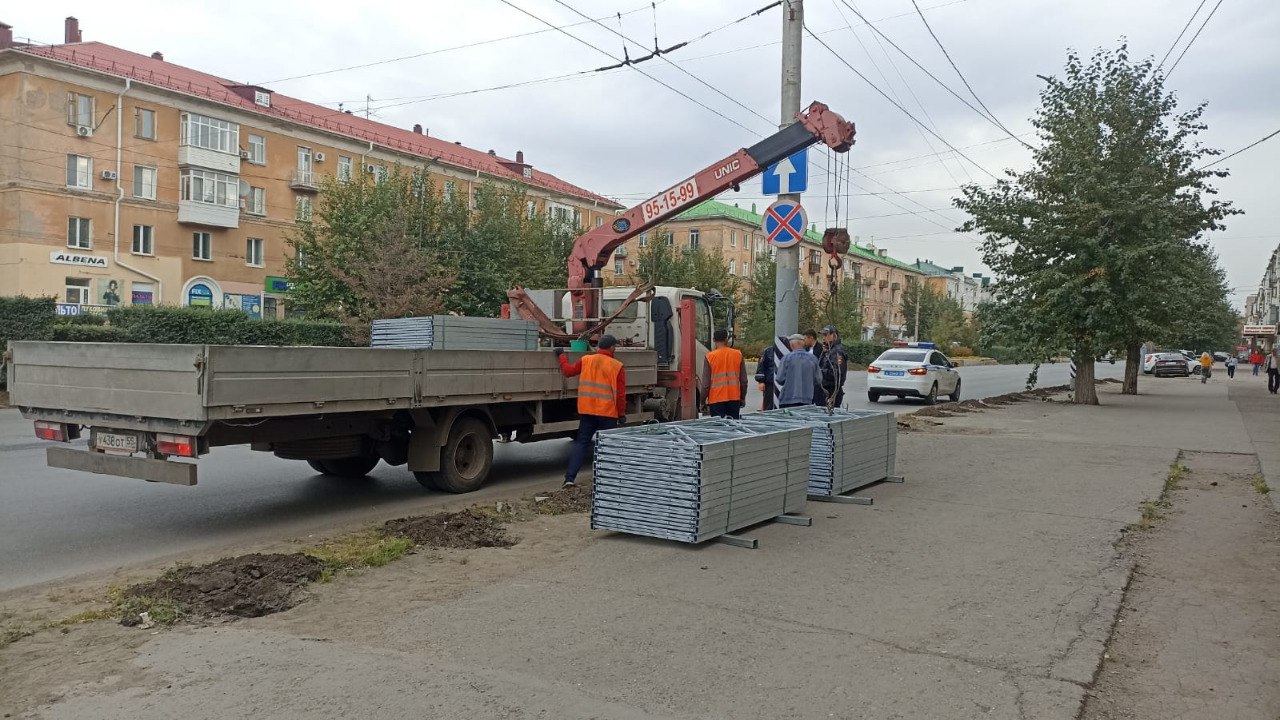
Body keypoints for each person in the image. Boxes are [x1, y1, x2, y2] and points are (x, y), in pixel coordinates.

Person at [555, 335, 626, 488]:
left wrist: (561, 355)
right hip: (607, 413)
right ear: (612, 347)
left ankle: (569, 478)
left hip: (587, 411)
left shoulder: (586, 360)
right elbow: (620, 395)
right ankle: (609, 480)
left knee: (581, 443)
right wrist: (621, 414)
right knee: (608, 446)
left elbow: (567, 371)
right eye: (615, 347)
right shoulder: (617, 366)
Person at [701, 328, 747, 419]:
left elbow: (706, 384)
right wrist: (742, 398)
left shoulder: (710, 357)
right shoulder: (738, 355)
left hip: (716, 399)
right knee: (734, 427)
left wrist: (702, 402)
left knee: (720, 430)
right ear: (727, 339)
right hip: (734, 398)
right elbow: (744, 381)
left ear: (714, 340)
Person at [776, 334, 824, 409]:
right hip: (808, 399)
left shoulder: (786, 358)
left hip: (788, 399)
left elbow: (780, 379)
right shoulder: (813, 358)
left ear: (792, 344)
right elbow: (818, 380)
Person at [754, 336, 791, 410]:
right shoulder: (768, 351)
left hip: (786, 384)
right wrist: (761, 381)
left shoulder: (789, 352)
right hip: (770, 383)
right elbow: (761, 367)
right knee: (769, 404)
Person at [818, 325, 848, 407]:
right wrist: (824, 353)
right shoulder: (829, 350)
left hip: (832, 390)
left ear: (833, 335)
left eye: (825, 335)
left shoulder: (837, 351)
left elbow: (836, 373)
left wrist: (819, 372)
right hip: (826, 389)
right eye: (822, 335)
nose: (823, 338)